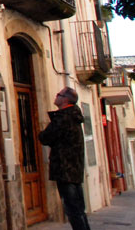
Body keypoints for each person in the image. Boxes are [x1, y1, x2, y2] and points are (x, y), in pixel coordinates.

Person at [38, 87, 91, 230]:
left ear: (65, 99)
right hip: (75, 169)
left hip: (64, 169)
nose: (56, 97)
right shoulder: (74, 117)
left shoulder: (63, 118)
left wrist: (41, 133)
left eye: (58, 95)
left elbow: (46, 137)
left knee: (73, 209)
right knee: (79, 209)